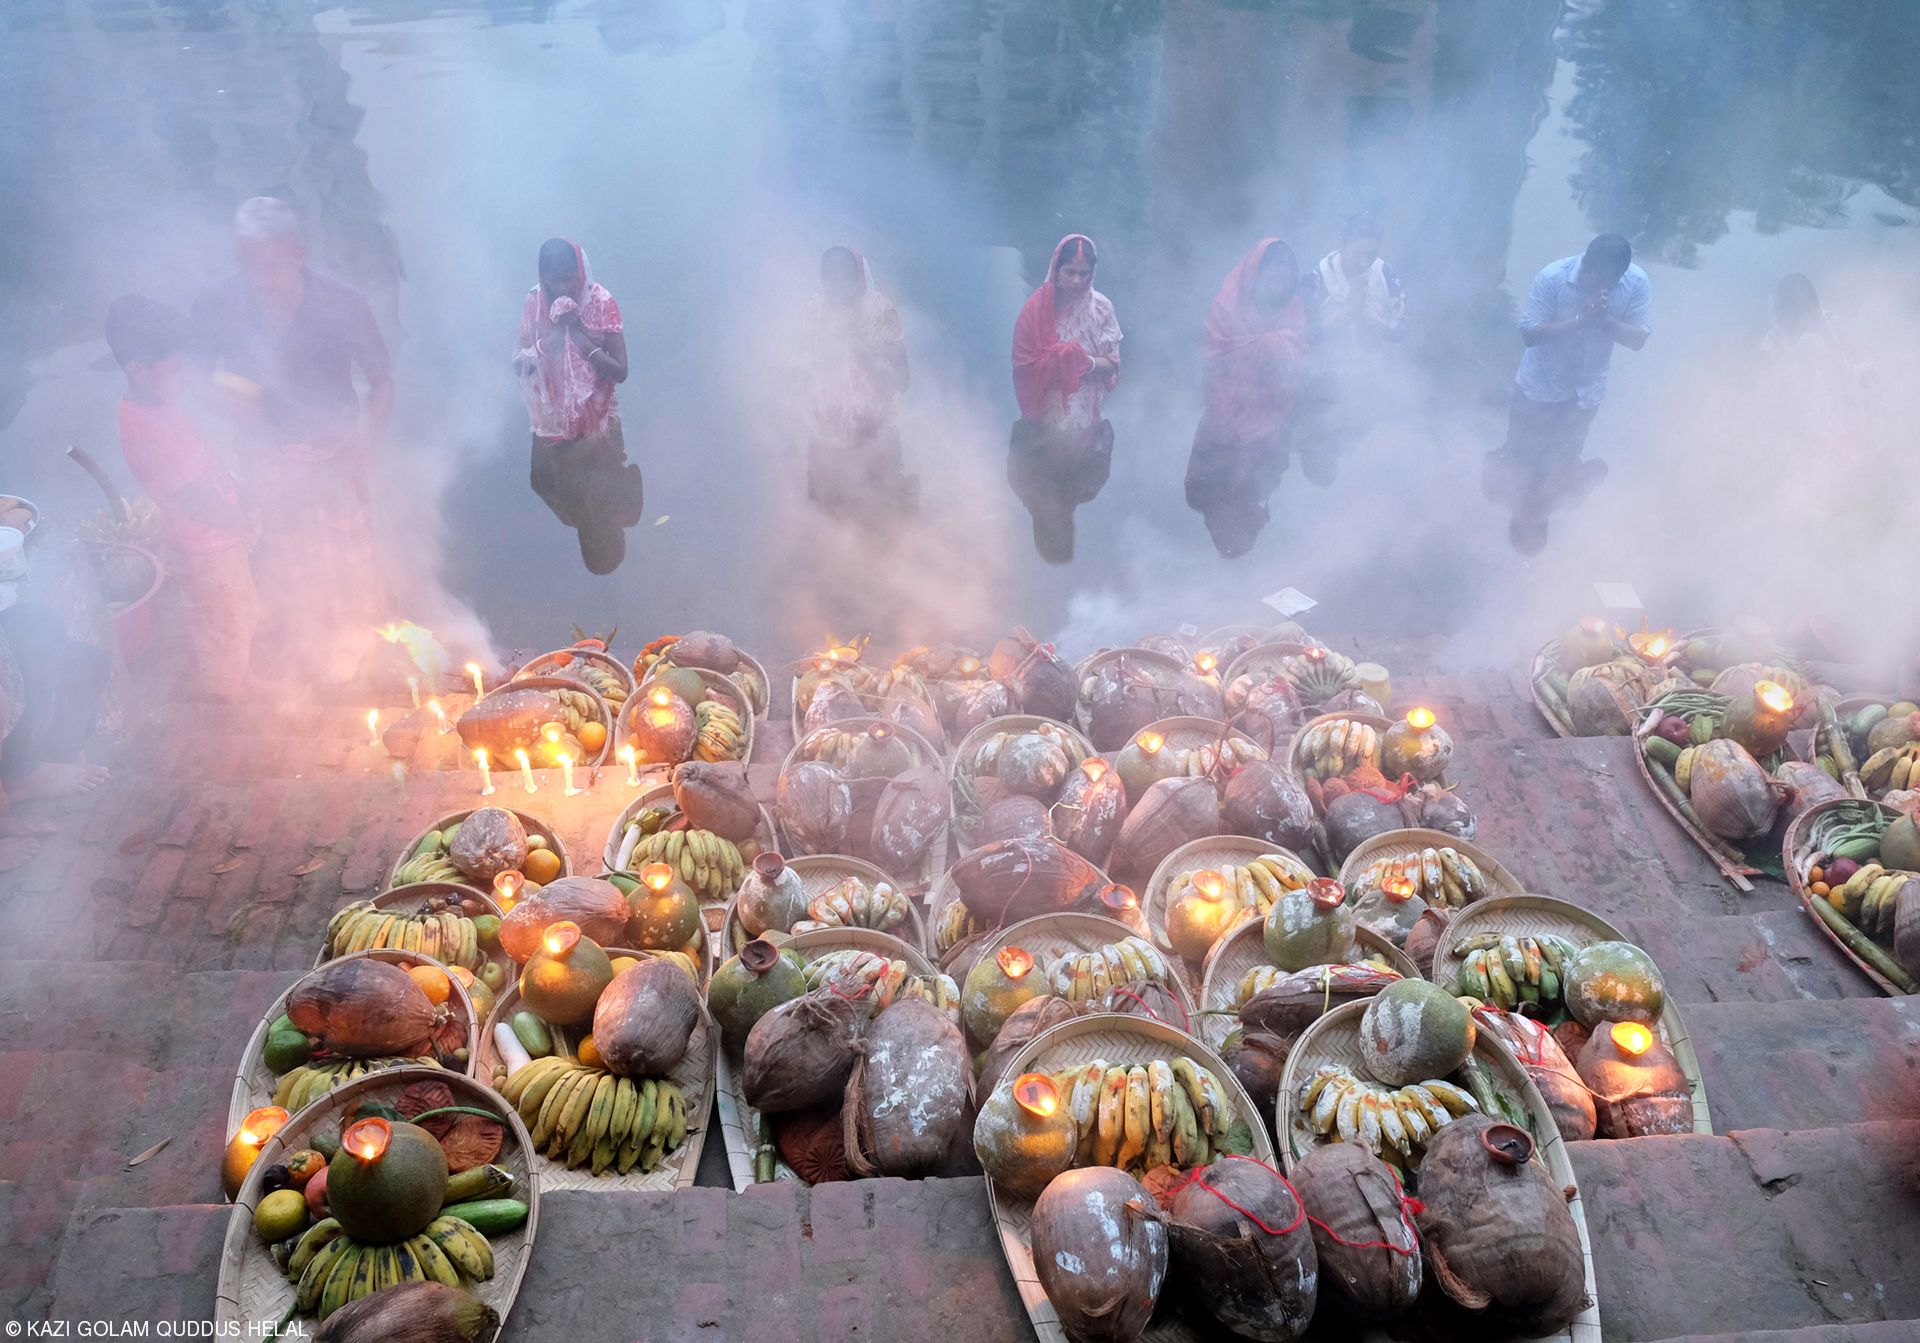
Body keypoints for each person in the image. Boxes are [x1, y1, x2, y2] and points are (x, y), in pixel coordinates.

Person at [191, 197, 393, 670]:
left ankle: (362, 648)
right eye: (250, 264)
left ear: (298, 252)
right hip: (263, 456)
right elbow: (194, 375)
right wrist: (223, 401)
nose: (262, 278)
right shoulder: (218, 305)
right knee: (279, 556)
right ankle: (300, 649)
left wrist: (367, 448)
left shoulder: (342, 302)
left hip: (335, 456)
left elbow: (381, 381)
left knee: (350, 561)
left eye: (272, 265)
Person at [107, 295, 263, 701]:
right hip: (204, 548)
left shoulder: (159, 404)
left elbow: (197, 465)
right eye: (175, 368)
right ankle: (231, 697)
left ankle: (242, 677)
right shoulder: (145, 430)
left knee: (240, 614)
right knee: (222, 627)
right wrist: (241, 520)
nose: (184, 376)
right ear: (137, 369)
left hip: (220, 536)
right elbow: (190, 497)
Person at [1485, 233, 1651, 554]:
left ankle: (1540, 476)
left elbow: (1637, 340)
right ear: (1585, 263)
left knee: (1557, 461)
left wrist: (1604, 320)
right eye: (1589, 272)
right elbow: (1530, 334)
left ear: (1616, 279)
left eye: (1601, 279)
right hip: (1537, 390)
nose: (1590, 280)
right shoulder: (1553, 278)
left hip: (1583, 396)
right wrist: (1580, 320)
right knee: (1525, 459)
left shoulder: (1636, 283)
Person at [514, 238, 644, 574]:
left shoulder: (601, 302)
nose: (561, 287)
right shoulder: (535, 302)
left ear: (581, 272)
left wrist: (577, 332)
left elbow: (620, 371)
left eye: (568, 278)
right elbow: (520, 359)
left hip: (598, 420)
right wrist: (549, 344)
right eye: (552, 279)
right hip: (552, 420)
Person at [1185, 239, 1310, 557]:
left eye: (1284, 278)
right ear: (1254, 274)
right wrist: (1268, 345)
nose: (1278, 284)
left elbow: (1298, 357)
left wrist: (1272, 346)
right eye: (1271, 276)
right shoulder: (1228, 305)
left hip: (1270, 421)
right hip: (1224, 416)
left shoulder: (1293, 307)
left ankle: (1247, 535)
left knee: (1254, 487)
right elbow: (1214, 357)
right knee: (1205, 489)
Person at [1010, 234, 1122, 564]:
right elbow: (1022, 365)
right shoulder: (1036, 311)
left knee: (1072, 467)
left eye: (1083, 273)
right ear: (1056, 269)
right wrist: (1057, 362)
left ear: (1092, 273)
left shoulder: (1101, 308)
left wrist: (1084, 363)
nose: (1075, 281)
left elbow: (1113, 363)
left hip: (1085, 412)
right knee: (1049, 471)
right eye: (1069, 272)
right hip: (1044, 415)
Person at [802, 247, 918, 519]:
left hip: (875, 436)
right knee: (825, 520)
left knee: (879, 521)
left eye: (844, 277)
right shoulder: (814, 311)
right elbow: (803, 366)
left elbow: (902, 380)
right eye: (829, 277)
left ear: (858, 279)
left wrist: (862, 351)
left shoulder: (881, 311)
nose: (836, 285)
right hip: (825, 438)